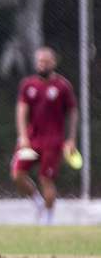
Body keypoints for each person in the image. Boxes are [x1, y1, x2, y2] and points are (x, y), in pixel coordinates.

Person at [10, 47, 78, 225]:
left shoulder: (63, 86)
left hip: (53, 141)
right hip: (31, 140)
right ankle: (38, 202)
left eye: (46, 61)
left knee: (45, 179)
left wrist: (70, 139)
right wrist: (23, 136)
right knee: (17, 174)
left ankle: (48, 219)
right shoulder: (28, 85)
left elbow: (72, 112)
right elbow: (21, 111)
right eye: (40, 61)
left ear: (53, 63)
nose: (42, 65)